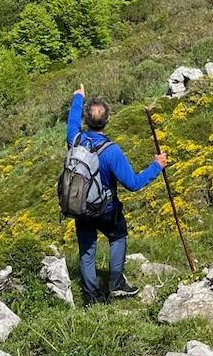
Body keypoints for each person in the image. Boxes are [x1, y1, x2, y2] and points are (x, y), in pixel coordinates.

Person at [65, 83, 166, 304]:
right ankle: (116, 283)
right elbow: (133, 183)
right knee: (117, 235)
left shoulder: (75, 139)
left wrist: (78, 97)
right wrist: (156, 166)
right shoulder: (111, 151)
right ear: (108, 120)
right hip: (106, 209)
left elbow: (71, 121)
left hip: (80, 206)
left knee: (87, 251)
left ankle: (91, 298)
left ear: (86, 121)